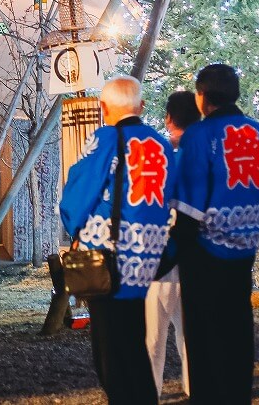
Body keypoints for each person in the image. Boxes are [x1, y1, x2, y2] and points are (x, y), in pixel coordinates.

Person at [171, 63, 259, 404]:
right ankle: (238, 395)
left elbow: (188, 204)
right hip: (245, 249)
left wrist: (178, 247)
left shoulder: (199, 135)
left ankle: (209, 398)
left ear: (202, 97)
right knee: (238, 326)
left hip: (203, 250)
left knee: (203, 332)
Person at [60, 76, 173, 405]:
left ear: (103, 108)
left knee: (110, 352)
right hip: (147, 257)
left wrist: (75, 229)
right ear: (140, 106)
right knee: (134, 341)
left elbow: (79, 191)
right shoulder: (160, 144)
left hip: (108, 260)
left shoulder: (106, 137)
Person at [145, 91, 198, 399]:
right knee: (190, 337)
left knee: (152, 337)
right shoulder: (203, 154)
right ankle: (196, 389)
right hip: (192, 261)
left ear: (168, 119)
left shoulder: (157, 155)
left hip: (157, 258)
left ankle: (151, 391)